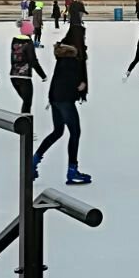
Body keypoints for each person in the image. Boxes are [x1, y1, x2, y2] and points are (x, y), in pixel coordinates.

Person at [32, 26, 91, 184]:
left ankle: (33, 161)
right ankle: (72, 171)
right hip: (64, 99)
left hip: (55, 98)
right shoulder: (73, 56)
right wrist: (79, 87)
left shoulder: (63, 53)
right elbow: (68, 78)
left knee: (58, 131)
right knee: (75, 132)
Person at [10, 23, 47, 112]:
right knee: (27, 103)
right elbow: (33, 61)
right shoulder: (29, 43)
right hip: (24, 77)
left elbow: (13, 59)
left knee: (25, 102)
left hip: (14, 76)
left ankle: (24, 122)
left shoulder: (14, 42)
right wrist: (43, 75)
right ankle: (25, 124)